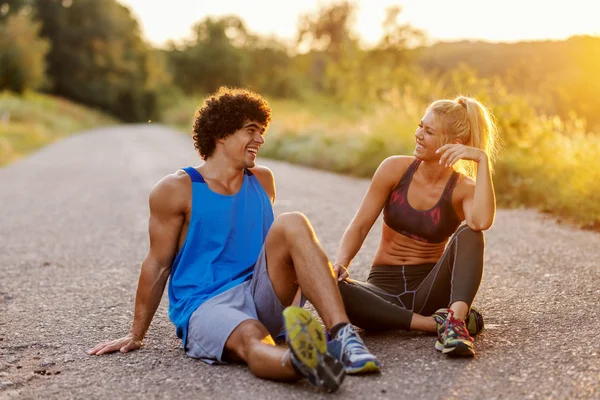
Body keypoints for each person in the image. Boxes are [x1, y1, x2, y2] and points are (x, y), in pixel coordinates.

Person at [87, 87, 380, 392]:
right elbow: (157, 263)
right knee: (251, 338)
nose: (260, 139)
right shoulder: (176, 189)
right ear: (221, 134)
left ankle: (343, 338)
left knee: (292, 221)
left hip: (260, 290)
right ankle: (305, 363)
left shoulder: (262, 180)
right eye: (250, 130)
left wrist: (309, 283)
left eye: (262, 131)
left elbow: (283, 252)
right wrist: (136, 334)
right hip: (207, 303)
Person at [332, 96, 499, 357]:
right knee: (330, 285)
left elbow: (482, 222)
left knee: (470, 233)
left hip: (428, 291)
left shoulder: (462, 189)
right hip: (381, 290)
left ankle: (454, 322)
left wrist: (482, 160)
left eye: (429, 131)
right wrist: (341, 263)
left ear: (453, 144)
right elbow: (360, 225)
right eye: (421, 126)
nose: (418, 134)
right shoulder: (394, 169)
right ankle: (436, 323)